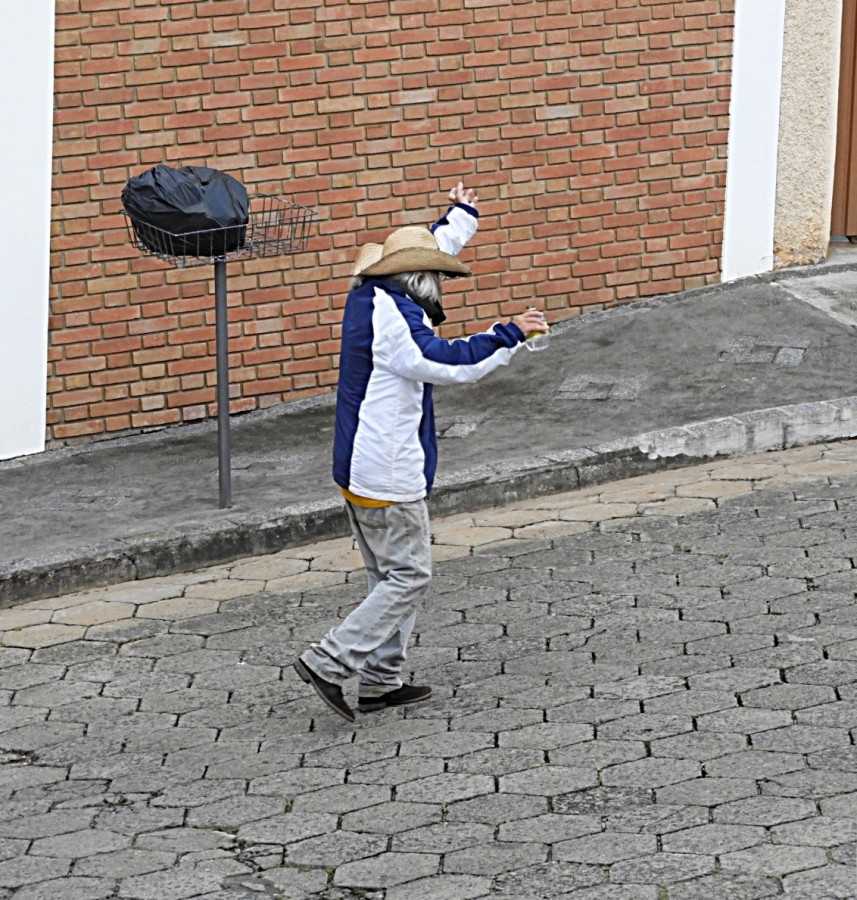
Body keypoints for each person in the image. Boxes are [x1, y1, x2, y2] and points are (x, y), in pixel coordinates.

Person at [294, 186, 549, 722]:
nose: (441, 291)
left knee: (387, 578)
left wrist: (463, 214)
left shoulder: (373, 293)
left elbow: (432, 244)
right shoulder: (394, 317)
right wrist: (509, 334)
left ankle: (383, 682)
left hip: (358, 465)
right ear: (418, 282)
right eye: (436, 281)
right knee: (410, 577)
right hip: (387, 472)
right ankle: (331, 659)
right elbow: (444, 361)